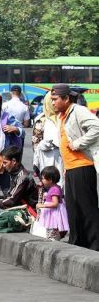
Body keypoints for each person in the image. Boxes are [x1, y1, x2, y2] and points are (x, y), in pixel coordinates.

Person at [51, 83, 99, 251]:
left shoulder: (78, 110)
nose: (53, 103)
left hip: (83, 166)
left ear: (66, 98)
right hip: (71, 168)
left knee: (87, 208)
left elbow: (96, 127)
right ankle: (77, 244)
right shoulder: (62, 115)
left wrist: (78, 143)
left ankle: (95, 245)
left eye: (56, 99)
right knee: (73, 208)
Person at [0, 146, 38, 212]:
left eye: (5, 162)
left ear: (14, 161)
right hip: (20, 207)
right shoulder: (13, 173)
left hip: (30, 211)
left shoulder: (22, 177)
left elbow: (12, 201)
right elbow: (10, 196)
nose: (3, 166)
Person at [32, 92, 63, 185]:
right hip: (46, 161)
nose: (54, 103)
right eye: (52, 100)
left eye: (55, 100)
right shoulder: (41, 119)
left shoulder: (64, 116)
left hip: (62, 159)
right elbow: (36, 144)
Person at [36, 166, 70, 241]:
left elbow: (55, 203)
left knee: (52, 232)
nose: (42, 180)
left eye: (43, 178)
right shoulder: (55, 187)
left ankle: (53, 241)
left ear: (50, 180)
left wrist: (42, 205)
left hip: (53, 216)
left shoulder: (54, 189)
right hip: (52, 214)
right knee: (50, 231)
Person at [3, 85, 30, 162]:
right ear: (20, 93)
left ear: (11, 93)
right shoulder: (25, 106)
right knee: (17, 157)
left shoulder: (5, 105)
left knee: (6, 155)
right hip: (18, 133)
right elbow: (26, 124)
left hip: (6, 132)